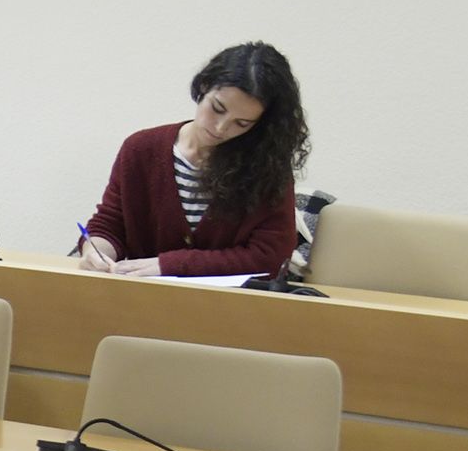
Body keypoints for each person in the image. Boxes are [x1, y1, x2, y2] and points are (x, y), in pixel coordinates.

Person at [80, 42, 309, 280]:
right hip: (143, 301)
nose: (221, 128)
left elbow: (269, 258)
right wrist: (96, 252)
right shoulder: (141, 149)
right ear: (204, 86)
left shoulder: (267, 168)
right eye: (217, 108)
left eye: (242, 123)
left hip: (230, 309)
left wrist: (172, 265)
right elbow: (110, 225)